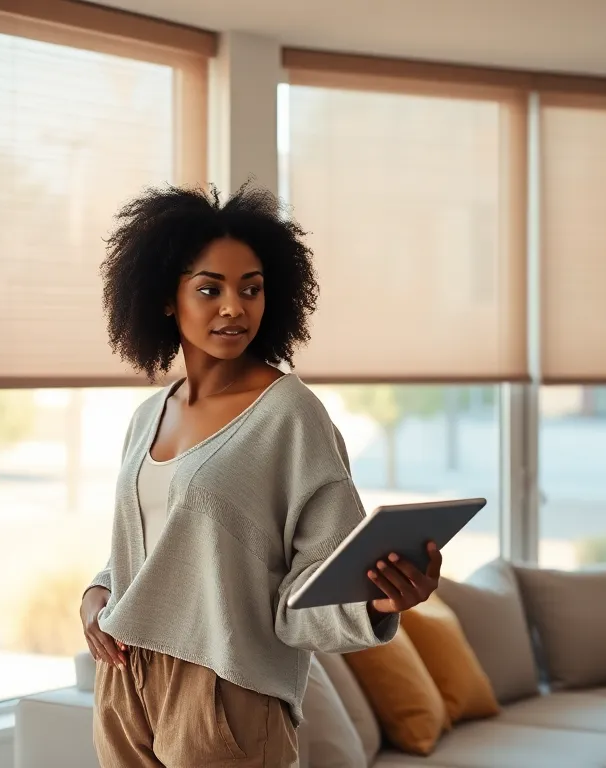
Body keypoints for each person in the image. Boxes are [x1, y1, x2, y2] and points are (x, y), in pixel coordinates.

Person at [80, 183, 444, 767]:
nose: (234, 307)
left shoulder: (289, 415)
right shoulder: (150, 414)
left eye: (251, 289)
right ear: (167, 299)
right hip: (124, 682)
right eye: (210, 289)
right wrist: (99, 592)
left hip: (224, 691)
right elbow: (159, 545)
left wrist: (376, 603)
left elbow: (320, 580)